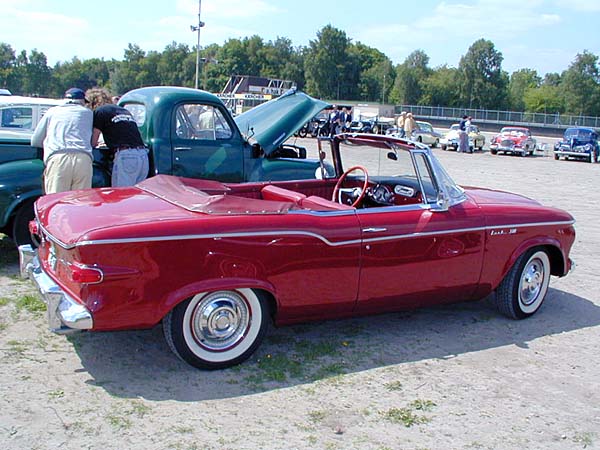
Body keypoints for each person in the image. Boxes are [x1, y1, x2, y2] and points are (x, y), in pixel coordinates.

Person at [31, 87, 93, 194]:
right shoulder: (88, 113)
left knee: (56, 202)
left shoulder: (52, 112)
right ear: (82, 101)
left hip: (59, 158)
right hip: (84, 159)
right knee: (80, 203)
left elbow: (36, 140)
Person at [87, 87, 149, 187]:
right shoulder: (122, 110)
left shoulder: (100, 112)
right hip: (143, 155)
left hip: (126, 156)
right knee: (135, 196)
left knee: (121, 195)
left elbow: (94, 140)